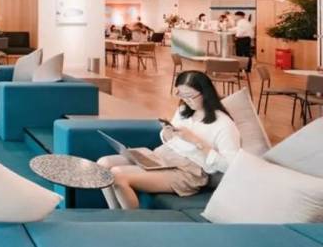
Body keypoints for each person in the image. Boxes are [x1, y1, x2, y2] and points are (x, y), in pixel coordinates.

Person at [97, 71, 240, 209]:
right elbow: (172, 140)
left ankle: (131, 221)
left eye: (190, 96)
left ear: (205, 93)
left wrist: (197, 142)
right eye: (181, 95)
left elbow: (231, 166)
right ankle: (114, 213)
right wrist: (166, 134)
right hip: (162, 156)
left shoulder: (224, 124)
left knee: (118, 176)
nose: (186, 100)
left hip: (188, 171)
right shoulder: (183, 111)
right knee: (103, 164)